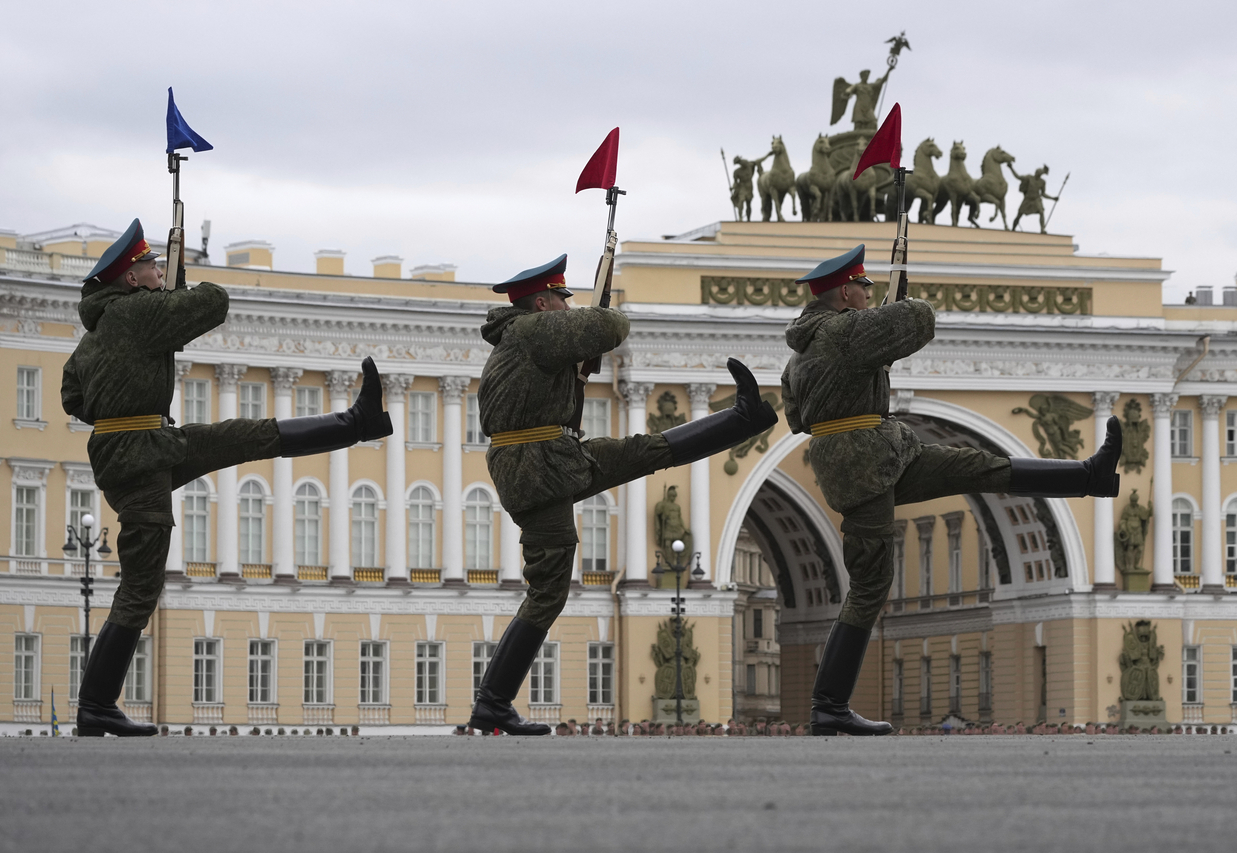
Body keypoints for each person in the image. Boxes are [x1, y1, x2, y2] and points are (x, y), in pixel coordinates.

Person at [62, 220, 393, 737]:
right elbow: (215, 302)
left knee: (243, 435)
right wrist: (179, 286)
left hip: (143, 445)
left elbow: (73, 398)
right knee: (141, 586)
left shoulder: (95, 336)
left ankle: (358, 423)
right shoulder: (138, 314)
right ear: (130, 279)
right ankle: (96, 704)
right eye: (149, 266)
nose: (155, 271)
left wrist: (125, 409)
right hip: (142, 456)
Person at [781, 245, 1122, 737]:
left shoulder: (802, 353)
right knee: (870, 585)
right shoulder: (845, 332)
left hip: (876, 454)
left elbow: (797, 420)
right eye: (865, 287)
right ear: (845, 291)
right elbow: (920, 320)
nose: (869, 294)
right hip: (866, 464)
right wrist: (898, 304)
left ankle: (1090, 476)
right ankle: (829, 705)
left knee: (975, 467)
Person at [469, 254, 777, 735]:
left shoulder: (526, 338)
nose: (568, 311)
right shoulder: (532, 331)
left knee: (644, 450)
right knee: (548, 590)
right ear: (544, 302)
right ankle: (492, 702)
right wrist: (599, 314)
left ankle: (743, 418)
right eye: (563, 301)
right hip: (538, 469)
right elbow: (613, 327)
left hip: (553, 458)